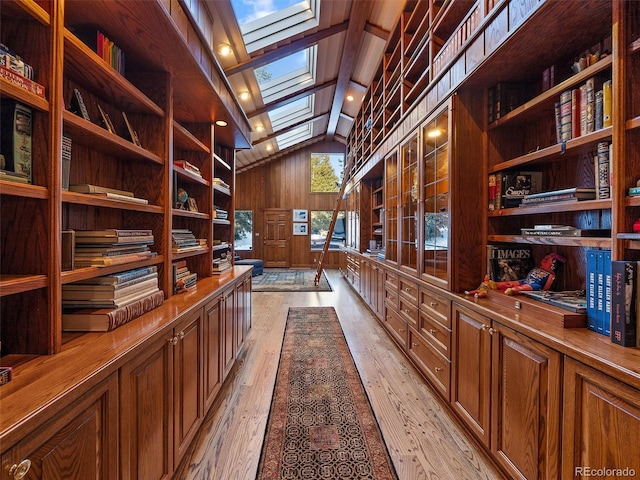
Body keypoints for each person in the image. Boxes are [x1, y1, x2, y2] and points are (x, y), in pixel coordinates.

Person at [465, 253, 566, 298]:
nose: (543, 260)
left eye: (547, 259)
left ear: (553, 264)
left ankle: (515, 290)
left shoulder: (551, 275)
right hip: (525, 280)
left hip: (535, 285)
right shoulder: (537, 268)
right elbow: (526, 278)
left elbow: (546, 288)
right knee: (510, 283)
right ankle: (494, 285)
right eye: (545, 258)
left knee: (526, 286)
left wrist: (542, 293)